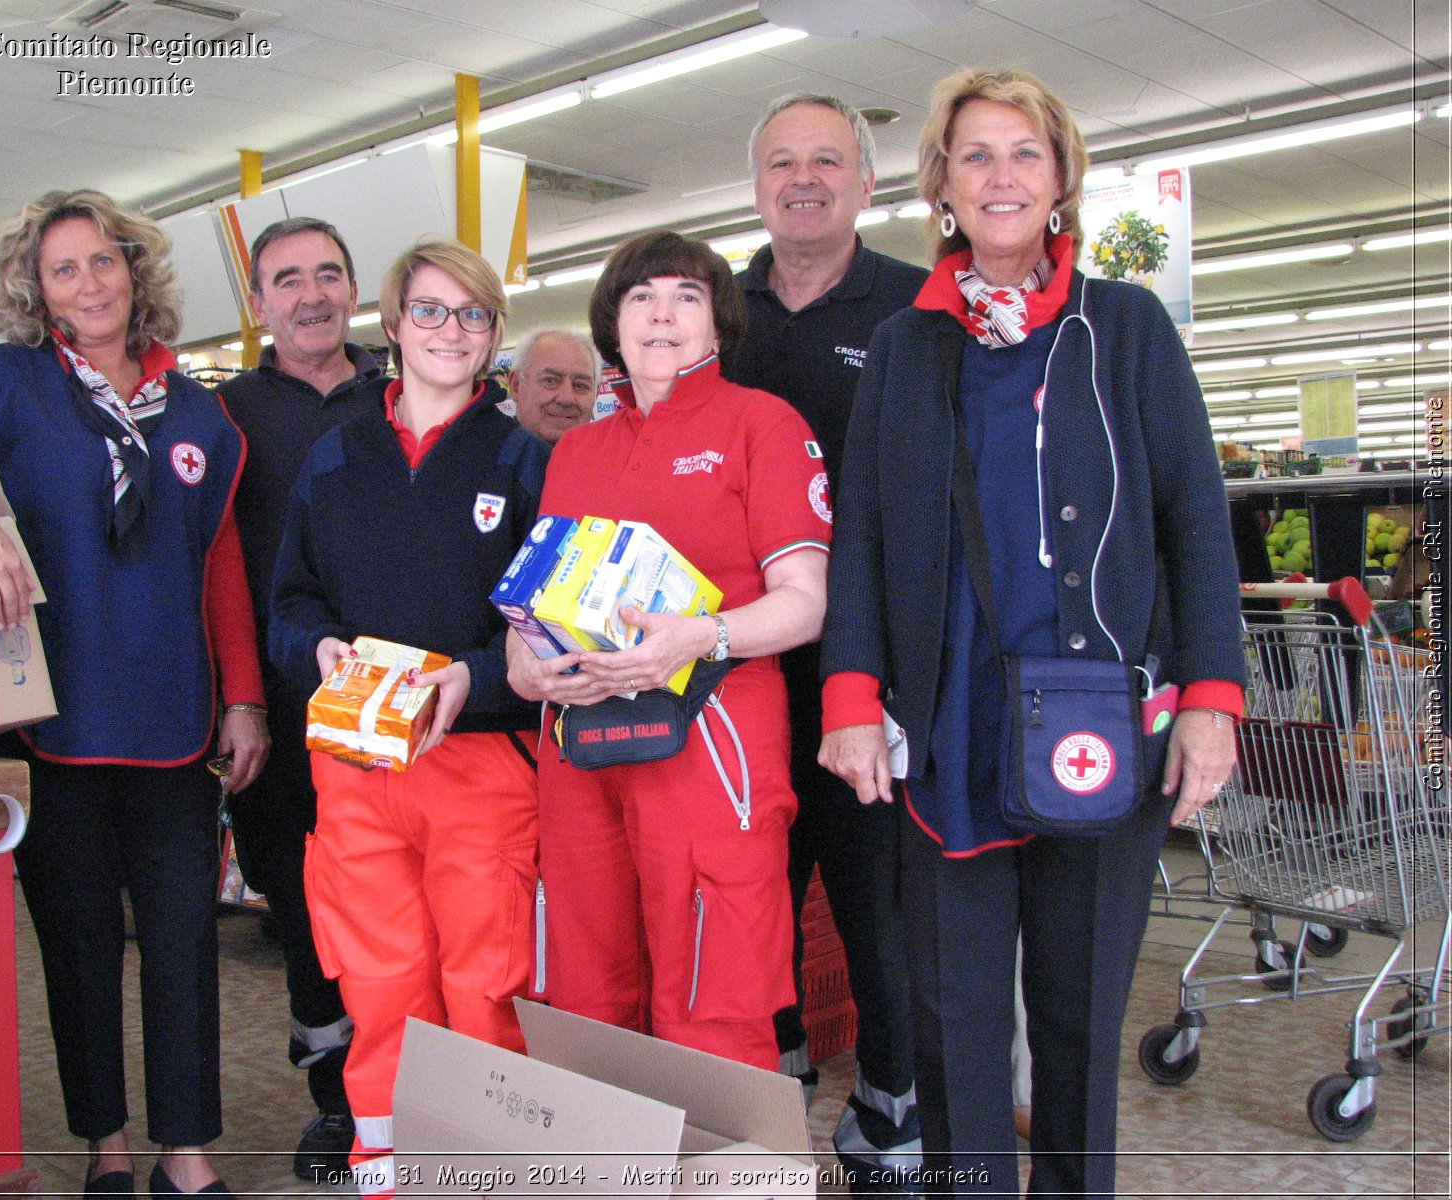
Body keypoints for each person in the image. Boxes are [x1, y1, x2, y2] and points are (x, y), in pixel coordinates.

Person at [818, 67, 1244, 1197]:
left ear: (1058, 179)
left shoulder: (1127, 329)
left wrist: (1210, 700)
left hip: (1102, 729)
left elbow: (1195, 521)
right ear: (942, 187)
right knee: (951, 1018)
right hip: (948, 726)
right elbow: (857, 532)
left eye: (1023, 153)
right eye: (975, 155)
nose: (999, 175)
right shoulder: (908, 347)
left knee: (1076, 1017)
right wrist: (852, 700)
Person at [0, 189, 270, 1199]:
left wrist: (246, 697)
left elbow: (216, 559)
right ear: (36, 292)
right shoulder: (5, 382)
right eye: (64, 269)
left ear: (135, 271)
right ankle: (108, 1151)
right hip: (55, 716)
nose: (89, 283)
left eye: (103, 261)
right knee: (79, 951)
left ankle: (186, 1152)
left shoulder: (202, 413)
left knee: (181, 950)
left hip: (176, 718)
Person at [507, 230, 832, 1070]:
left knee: (714, 982)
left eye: (686, 297)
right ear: (612, 322)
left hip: (713, 735)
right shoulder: (576, 452)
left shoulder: (762, 424)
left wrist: (702, 636)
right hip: (580, 743)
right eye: (640, 296)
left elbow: (806, 600)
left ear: (717, 325)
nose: (661, 314)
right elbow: (535, 607)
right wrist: (524, 666)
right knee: (587, 982)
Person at [268, 236, 547, 1200]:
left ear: (492, 336)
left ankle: (486, 1177)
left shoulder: (525, 463)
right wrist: (317, 652)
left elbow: (550, 634)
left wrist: (474, 677)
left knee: (485, 988)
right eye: (429, 310)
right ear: (392, 326)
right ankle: (384, 1171)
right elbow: (289, 605)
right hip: (356, 765)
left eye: (471, 315)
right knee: (380, 985)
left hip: (481, 767)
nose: (448, 331)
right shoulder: (333, 459)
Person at [725, 92, 928, 1185]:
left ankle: (893, 1097)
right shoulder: (716, 307)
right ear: (754, 183)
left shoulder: (910, 306)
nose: (802, 179)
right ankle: (778, 1052)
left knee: (870, 896)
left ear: (865, 179)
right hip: (736, 662)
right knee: (757, 882)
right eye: (780, 163)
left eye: (825, 161)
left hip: (868, 665)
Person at [216, 216, 387, 1183]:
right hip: (281, 708)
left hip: (403, 708)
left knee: (399, 907)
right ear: (258, 303)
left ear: (355, 287)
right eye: (288, 279)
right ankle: (334, 1097)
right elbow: (211, 564)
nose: (311, 294)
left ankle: (401, 1093)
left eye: (330, 272)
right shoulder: (226, 416)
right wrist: (237, 700)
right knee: (305, 911)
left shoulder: (408, 392)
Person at [506, 328, 600, 444]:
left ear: (596, 395)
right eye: (550, 381)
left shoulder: (615, 459)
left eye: (580, 385)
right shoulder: (482, 458)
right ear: (516, 386)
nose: (567, 398)